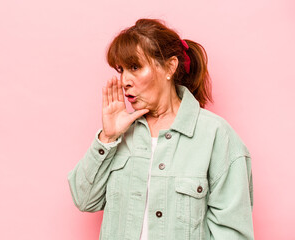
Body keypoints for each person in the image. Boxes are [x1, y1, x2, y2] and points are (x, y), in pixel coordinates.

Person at [68, 18, 254, 240]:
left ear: (170, 66)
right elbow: (84, 200)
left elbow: (232, 233)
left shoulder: (215, 135)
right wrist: (107, 137)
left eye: (135, 67)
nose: (124, 80)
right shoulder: (119, 134)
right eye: (121, 70)